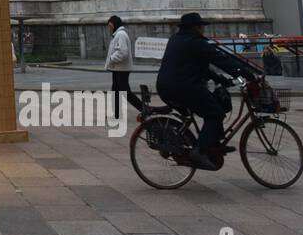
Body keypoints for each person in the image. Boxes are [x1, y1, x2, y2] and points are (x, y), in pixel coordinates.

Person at [156, 13, 250, 171]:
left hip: (166, 87)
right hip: (184, 87)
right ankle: (200, 151)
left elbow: (198, 65)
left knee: (212, 106)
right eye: (201, 27)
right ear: (196, 27)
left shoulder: (176, 39)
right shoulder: (196, 43)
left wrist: (220, 79)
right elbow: (222, 60)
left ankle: (212, 145)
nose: (202, 30)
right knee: (215, 114)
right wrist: (247, 74)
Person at [103, 16, 143, 118]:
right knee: (116, 92)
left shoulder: (120, 34)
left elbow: (122, 52)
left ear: (113, 24)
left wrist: (112, 59)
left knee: (125, 93)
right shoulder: (118, 34)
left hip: (122, 69)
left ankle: (144, 109)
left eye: (109, 25)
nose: (109, 28)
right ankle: (116, 114)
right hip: (118, 69)